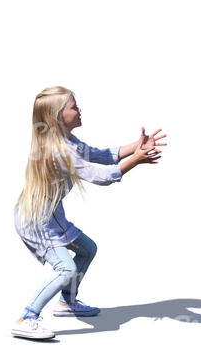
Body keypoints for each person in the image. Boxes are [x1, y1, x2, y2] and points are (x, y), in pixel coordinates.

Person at [11, 86, 167, 339]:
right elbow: (102, 177)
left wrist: (135, 146)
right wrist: (135, 160)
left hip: (51, 217)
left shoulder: (67, 141)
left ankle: (67, 302)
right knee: (66, 269)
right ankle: (26, 317)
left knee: (87, 249)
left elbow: (100, 156)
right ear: (57, 116)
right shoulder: (59, 149)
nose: (79, 109)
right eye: (73, 106)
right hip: (36, 222)